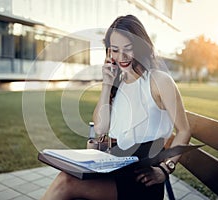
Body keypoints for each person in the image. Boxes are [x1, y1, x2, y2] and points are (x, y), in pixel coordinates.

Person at [41, 14, 191, 200]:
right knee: (66, 177)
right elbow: (101, 128)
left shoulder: (159, 81)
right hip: (115, 169)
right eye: (115, 50)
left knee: (65, 183)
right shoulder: (117, 85)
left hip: (142, 179)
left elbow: (184, 130)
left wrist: (165, 169)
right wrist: (106, 84)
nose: (122, 57)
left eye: (128, 49)